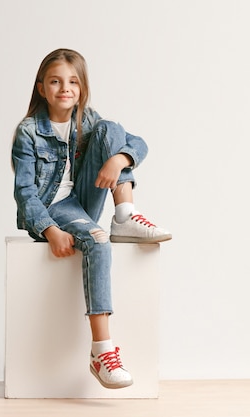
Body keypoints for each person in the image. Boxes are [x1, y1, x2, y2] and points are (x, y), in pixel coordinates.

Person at [11, 48, 171, 389]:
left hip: (82, 198)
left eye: (72, 81)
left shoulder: (87, 120)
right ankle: (102, 350)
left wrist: (121, 158)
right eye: (55, 81)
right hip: (49, 208)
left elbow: (138, 142)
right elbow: (24, 192)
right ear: (41, 88)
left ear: (82, 88)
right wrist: (50, 229)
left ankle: (125, 213)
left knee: (111, 130)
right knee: (98, 242)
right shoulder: (28, 132)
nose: (64, 88)